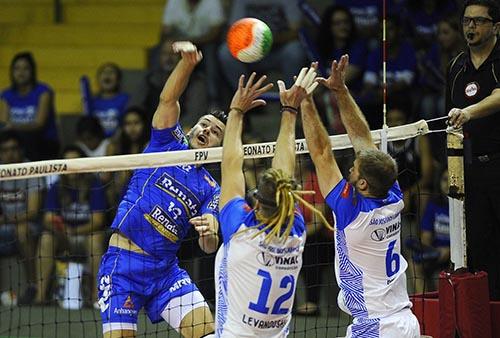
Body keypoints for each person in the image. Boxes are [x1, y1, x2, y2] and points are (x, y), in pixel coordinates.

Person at [97, 41, 225, 338]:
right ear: (192, 127)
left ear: (219, 146)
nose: (207, 131)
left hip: (165, 272)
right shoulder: (166, 144)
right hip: (123, 266)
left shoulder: (211, 188)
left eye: (216, 132)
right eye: (204, 125)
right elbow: (168, 99)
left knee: (209, 334)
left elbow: (210, 245)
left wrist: (209, 233)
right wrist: (188, 64)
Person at [301, 55, 420, 337]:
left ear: (363, 183)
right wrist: (341, 90)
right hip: (405, 320)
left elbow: (321, 153)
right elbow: (363, 139)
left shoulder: (351, 213)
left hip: (375, 325)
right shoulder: (393, 195)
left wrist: (304, 101)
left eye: (353, 169)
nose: (350, 168)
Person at [215, 66, 330, 336]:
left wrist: (236, 111)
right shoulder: (297, 232)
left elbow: (231, 165)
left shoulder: (241, 231)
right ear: (289, 202)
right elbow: (284, 172)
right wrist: (289, 113)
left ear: (255, 204)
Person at [446, 0, 500, 300]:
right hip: (470, 172)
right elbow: (449, 123)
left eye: (479, 21)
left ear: (496, 27)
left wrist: (469, 112)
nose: (471, 27)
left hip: (499, 164)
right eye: (467, 21)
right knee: (479, 250)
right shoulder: (456, 66)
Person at [33, 145, 107, 305]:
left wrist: (74, 230)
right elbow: (48, 218)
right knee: (46, 239)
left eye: (75, 161)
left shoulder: (94, 184)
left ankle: (96, 298)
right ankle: (40, 296)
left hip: (87, 235)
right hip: (63, 236)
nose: (71, 166)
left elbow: (98, 220)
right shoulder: (57, 186)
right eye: (68, 162)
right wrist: (62, 230)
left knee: (96, 239)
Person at [0, 130, 44, 304]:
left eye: (13, 149)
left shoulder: (31, 170)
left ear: (21, 149)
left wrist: (6, 220)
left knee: (22, 230)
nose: (9, 153)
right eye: (4, 150)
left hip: (29, 226)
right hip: (5, 225)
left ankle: (33, 284)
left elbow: (32, 212)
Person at [0, 52, 59, 161]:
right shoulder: (6, 94)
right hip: (16, 141)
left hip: (42, 141)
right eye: (17, 69)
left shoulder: (43, 91)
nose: (21, 73)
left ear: (32, 71)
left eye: (25, 68)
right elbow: (4, 124)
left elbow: (39, 124)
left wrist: (14, 126)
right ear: (11, 72)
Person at [86, 63, 129, 138]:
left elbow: (127, 123)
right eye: (104, 72)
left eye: (111, 72)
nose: (107, 75)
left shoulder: (125, 99)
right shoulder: (91, 102)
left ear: (118, 79)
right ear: (98, 79)